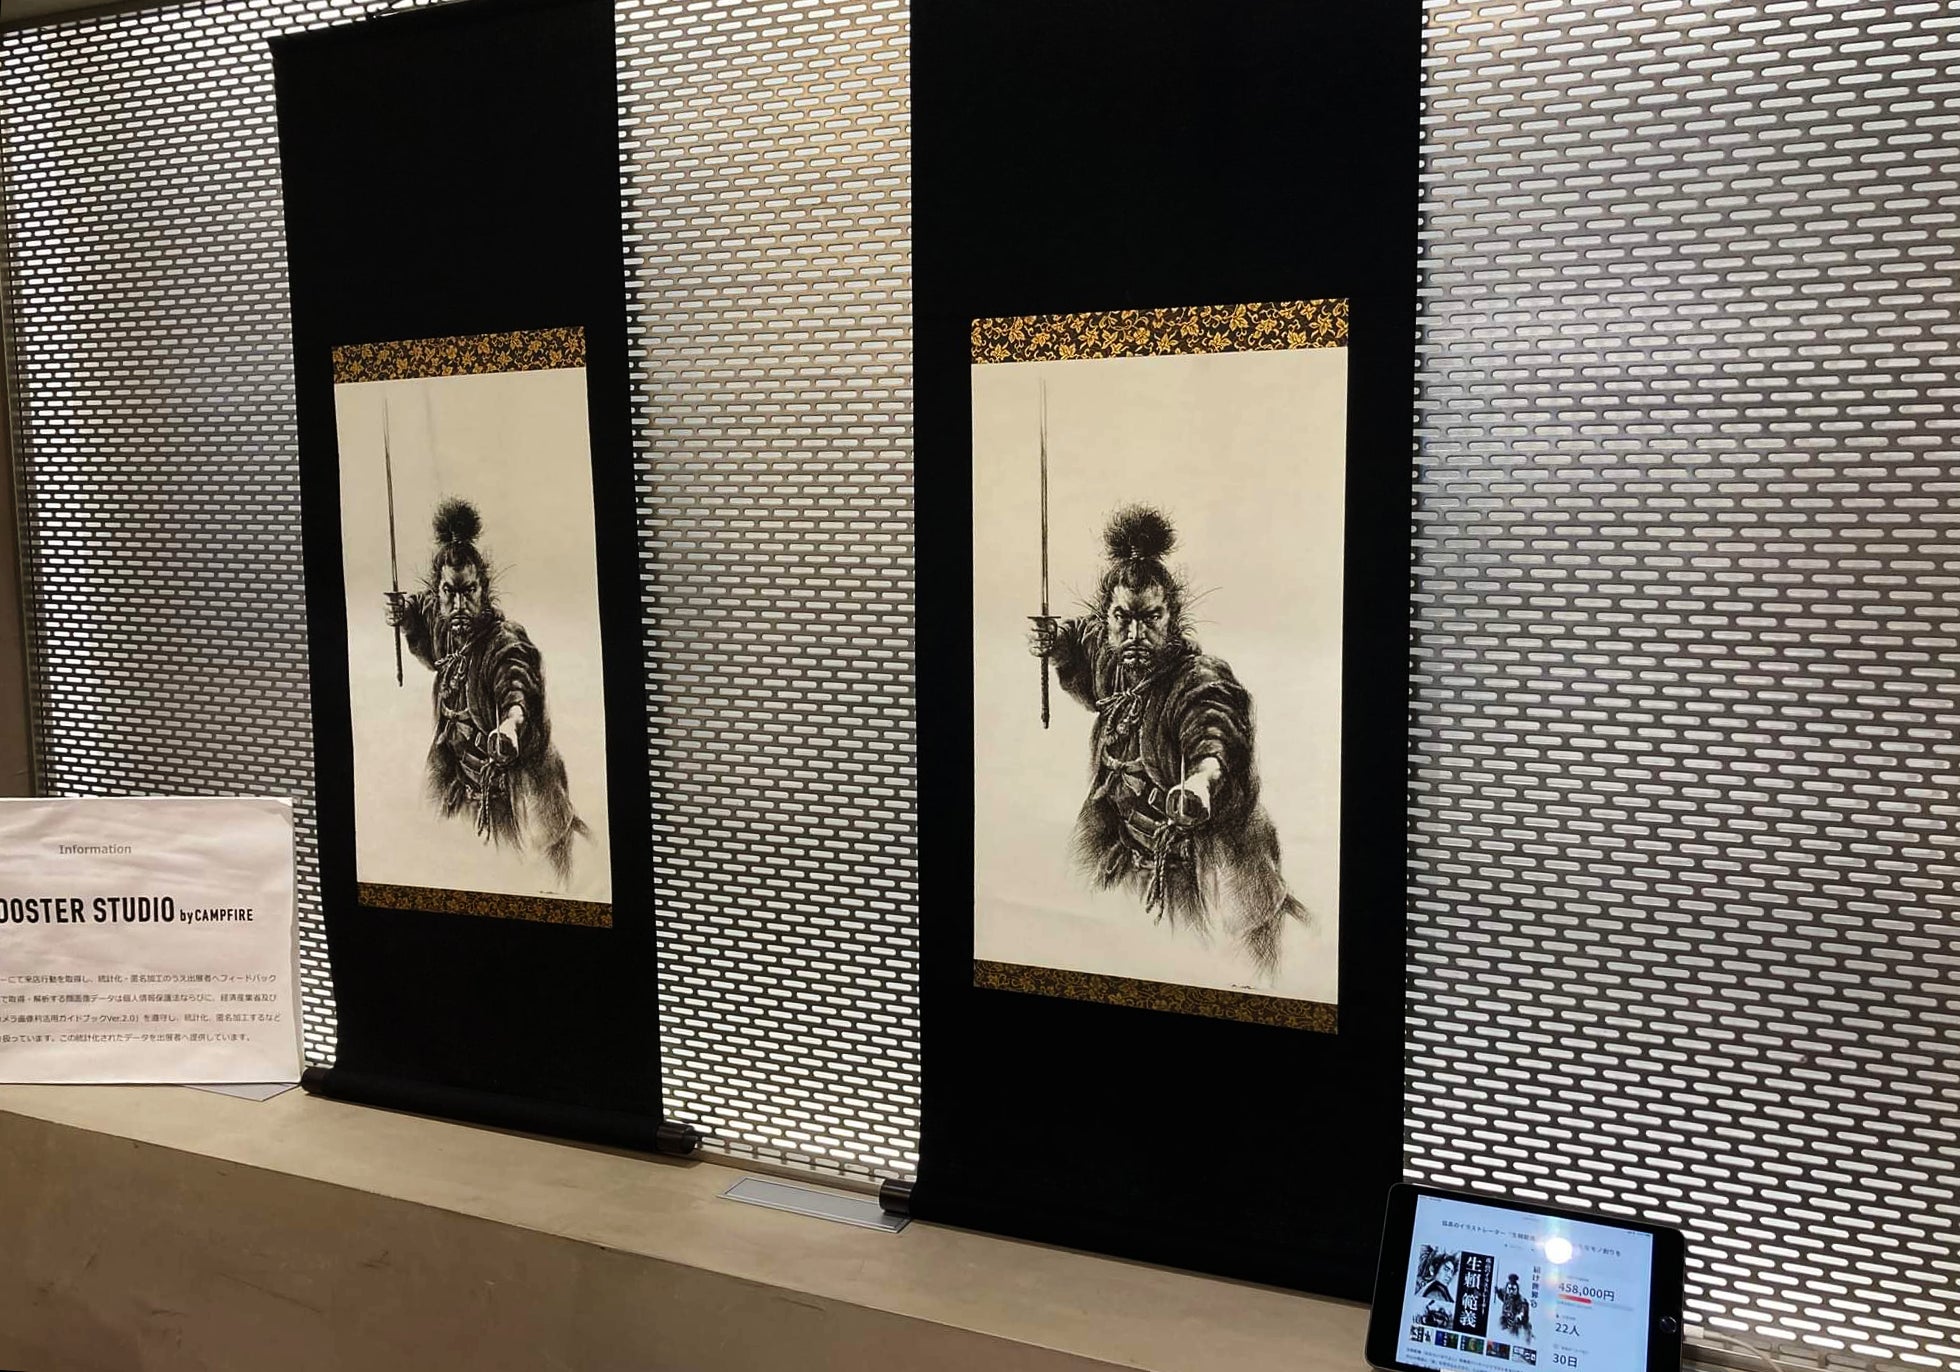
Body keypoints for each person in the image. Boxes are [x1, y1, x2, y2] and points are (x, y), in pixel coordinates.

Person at [1029, 504, 1307, 974]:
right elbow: (1081, 648)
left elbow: (1213, 728)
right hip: (1124, 849)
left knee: (1216, 967)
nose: (1136, 633)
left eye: (1151, 618)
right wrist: (1056, 645)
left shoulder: (1196, 679)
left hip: (1193, 864)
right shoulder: (1112, 654)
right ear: (1107, 617)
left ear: (1171, 618)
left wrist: (1201, 780)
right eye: (1123, 618)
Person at [384, 498, 588, 883]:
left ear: (484, 589)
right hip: (457, 772)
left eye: (470, 591)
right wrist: (405, 617)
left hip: (507, 784)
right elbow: (423, 621)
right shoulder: (443, 618)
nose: (460, 604)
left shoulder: (503, 641)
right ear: (439, 591)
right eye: (450, 592)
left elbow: (516, 682)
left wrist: (510, 725)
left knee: (528, 871)